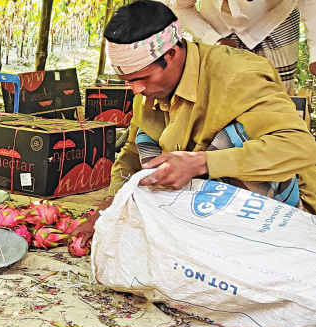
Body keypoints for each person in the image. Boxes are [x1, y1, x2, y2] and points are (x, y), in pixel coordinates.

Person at [74, 0, 316, 243]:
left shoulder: (238, 75)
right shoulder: (148, 89)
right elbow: (132, 154)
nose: (136, 90)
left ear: (171, 53)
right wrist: (106, 211)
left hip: (284, 209)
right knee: (145, 139)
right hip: (205, 199)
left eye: (143, 78)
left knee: (234, 138)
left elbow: (300, 147)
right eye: (127, 80)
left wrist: (202, 163)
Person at [171, 0, 316, 93]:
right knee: (217, 101)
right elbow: (182, 7)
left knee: (276, 99)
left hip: (276, 21)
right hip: (216, 26)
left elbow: (310, 4)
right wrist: (212, 39)